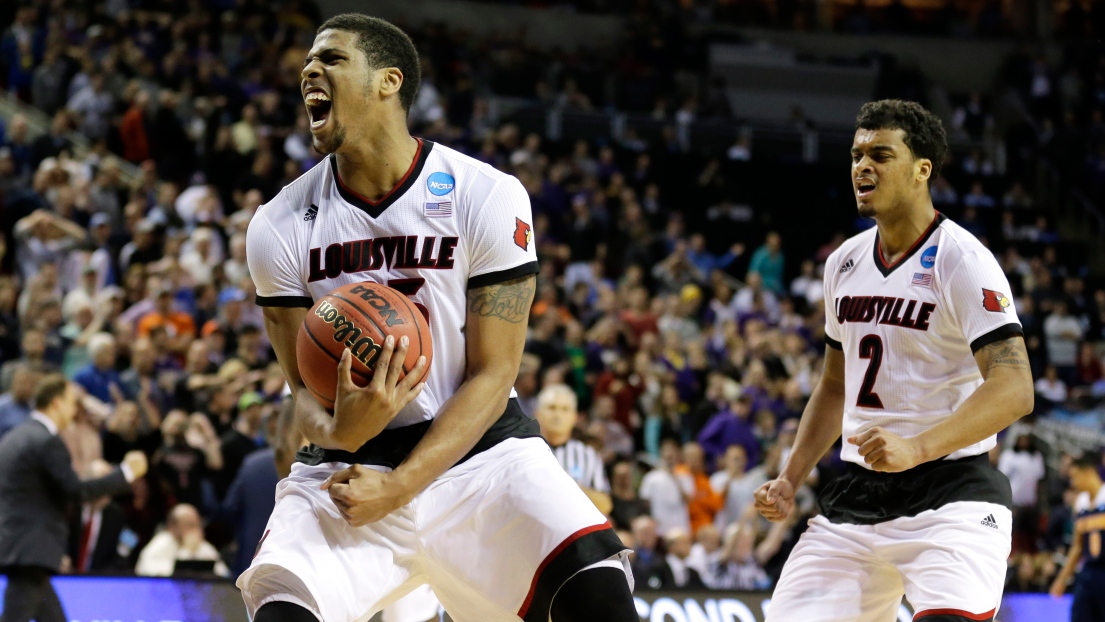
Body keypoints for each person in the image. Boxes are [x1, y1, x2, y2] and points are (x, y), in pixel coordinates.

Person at [238, 15, 633, 622]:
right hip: (350, 470)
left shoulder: (486, 194)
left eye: (332, 59)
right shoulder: (279, 224)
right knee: (281, 609)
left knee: (599, 593)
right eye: (307, 64)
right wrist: (343, 431)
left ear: (388, 81)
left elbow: (494, 373)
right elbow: (302, 395)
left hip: (479, 455)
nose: (308, 71)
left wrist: (401, 486)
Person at [755, 100, 1034, 622]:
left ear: (921, 169)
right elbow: (835, 385)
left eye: (881, 154)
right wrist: (791, 476)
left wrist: (917, 446)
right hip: (858, 497)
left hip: (953, 493)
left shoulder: (963, 259)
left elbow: (1015, 388)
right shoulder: (844, 262)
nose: (863, 165)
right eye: (858, 154)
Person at [0, 374, 147, 622]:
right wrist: (126, 472)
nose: (74, 410)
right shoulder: (46, 441)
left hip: (22, 545)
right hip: (30, 549)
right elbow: (76, 491)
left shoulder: (16, 436)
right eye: (71, 402)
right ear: (56, 403)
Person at [535, 384, 612, 514]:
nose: (558, 415)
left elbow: (605, 504)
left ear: (574, 417)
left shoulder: (587, 454)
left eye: (565, 409)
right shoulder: (523, 449)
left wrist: (568, 486)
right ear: (537, 413)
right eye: (551, 408)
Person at [1049, 453, 1105, 621]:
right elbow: (1078, 546)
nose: (1072, 483)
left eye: (1074, 477)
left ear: (1088, 472)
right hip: (1088, 572)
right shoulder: (1080, 504)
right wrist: (1062, 579)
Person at [135, 503, 229, 577]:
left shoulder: (203, 546)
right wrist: (187, 551)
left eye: (197, 525)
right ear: (172, 527)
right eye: (189, 525)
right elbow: (162, 575)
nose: (195, 530)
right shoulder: (161, 544)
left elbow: (223, 574)